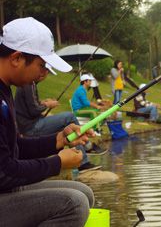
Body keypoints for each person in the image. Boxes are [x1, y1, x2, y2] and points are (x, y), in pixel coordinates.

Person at [0, 17, 95, 226]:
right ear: (16, 58)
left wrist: (59, 140)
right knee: (74, 203)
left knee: (83, 192)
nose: (42, 74)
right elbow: (4, 173)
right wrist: (58, 163)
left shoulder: (5, 90)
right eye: (41, 65)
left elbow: (16, 147)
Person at [15, 73, 107, 164]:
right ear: (85, 81)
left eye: (47, 70)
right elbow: (33, 110)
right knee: (69, 117)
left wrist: (43, 102)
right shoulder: (29, 84)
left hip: (31, 124)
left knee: (67, 127)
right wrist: (47, 104)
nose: (45, 73)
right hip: (31, 126)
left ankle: (81, 161)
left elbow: (31, 104)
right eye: (42, 67)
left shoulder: (30, 83)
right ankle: (87, 146)